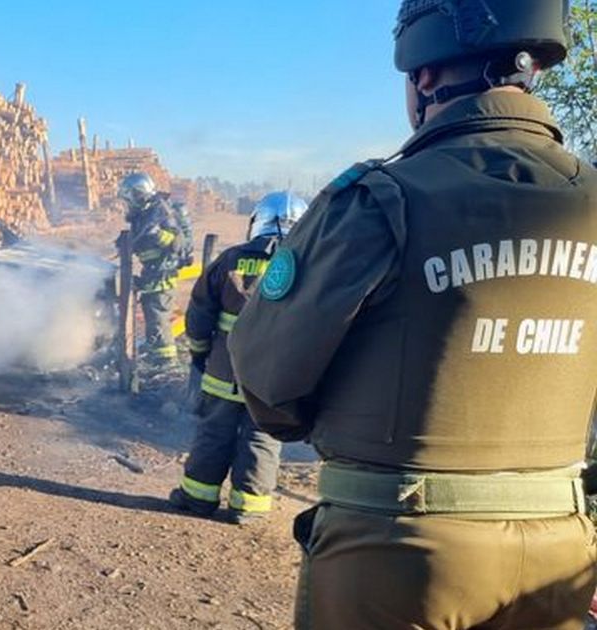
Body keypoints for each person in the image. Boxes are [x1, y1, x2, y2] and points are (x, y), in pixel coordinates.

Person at [229, 1, 597, 627]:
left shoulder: (378, 200)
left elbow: (267, 381)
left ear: (424, 76)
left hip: (394, 552)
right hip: (562, 551)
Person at [170, 192, 307, 524]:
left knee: (213, 433)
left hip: (223, 373)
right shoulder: (310, 265)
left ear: (256, 220)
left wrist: (200, 356)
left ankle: (197, 499)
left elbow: (199, 315)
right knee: (262, 438)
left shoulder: (229, 260)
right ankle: (248, 508)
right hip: (275, 380)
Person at [116, 173, 192, 373]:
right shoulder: (143, 216)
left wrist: (158, 235)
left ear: (138, 195)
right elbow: (140, 241)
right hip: (152, 274)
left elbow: (179, 243)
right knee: (152, 318)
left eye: (129, 199)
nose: (127, 205)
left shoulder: (161, 211)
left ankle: (167, 366)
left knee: (158, 319)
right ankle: (155, 358)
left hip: (163, 275)